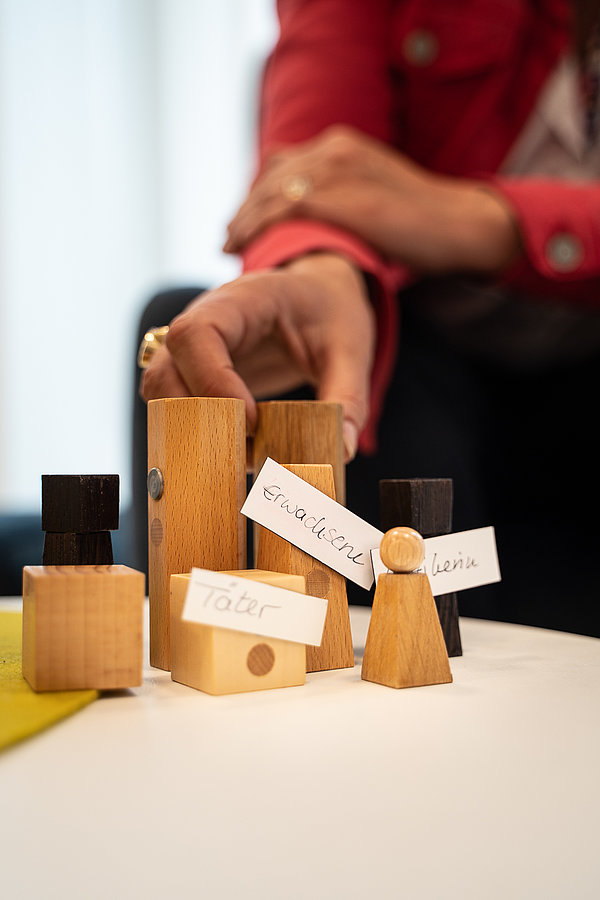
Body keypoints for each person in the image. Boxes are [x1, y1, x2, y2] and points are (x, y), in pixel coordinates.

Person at [140, 0, 600, 636]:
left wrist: (480, 221)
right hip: (414, 344)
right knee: (188, 322)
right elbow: (312, 164)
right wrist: (320, 267)